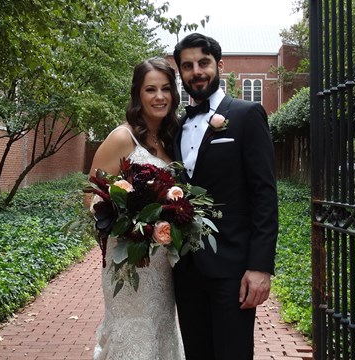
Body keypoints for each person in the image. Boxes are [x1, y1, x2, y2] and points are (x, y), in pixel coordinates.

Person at [172, 33, 279, 359]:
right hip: (186, 270)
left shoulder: (247, 115)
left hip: (233, 271)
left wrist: (260, 267)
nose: (196, 71)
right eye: (187, 66)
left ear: (219, 65)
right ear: (181, 73)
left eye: (203, 63)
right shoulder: (177, 126)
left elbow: (264, 193)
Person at [89, 57, 184, 360]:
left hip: (163, 262)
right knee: (133, 332)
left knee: (161, 326)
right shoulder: (122, 137)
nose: (159, 97)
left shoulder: (173, 139)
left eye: (166, 89)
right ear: (138, 94)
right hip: (130, 261)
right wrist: (129, 226)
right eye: (151, 89)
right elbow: (91, 196)